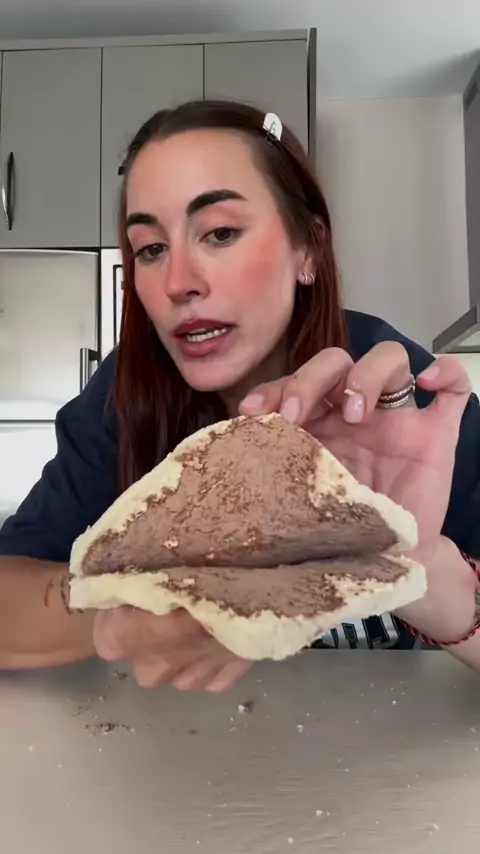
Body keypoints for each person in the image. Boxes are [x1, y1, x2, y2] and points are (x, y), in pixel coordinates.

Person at [0, 100, 479, 691]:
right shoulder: (125, 397)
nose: (178, 283)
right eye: (150, 249)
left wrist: (421, 566)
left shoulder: (400, 401)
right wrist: (120, 615)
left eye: (220, 233)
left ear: (308, 248)